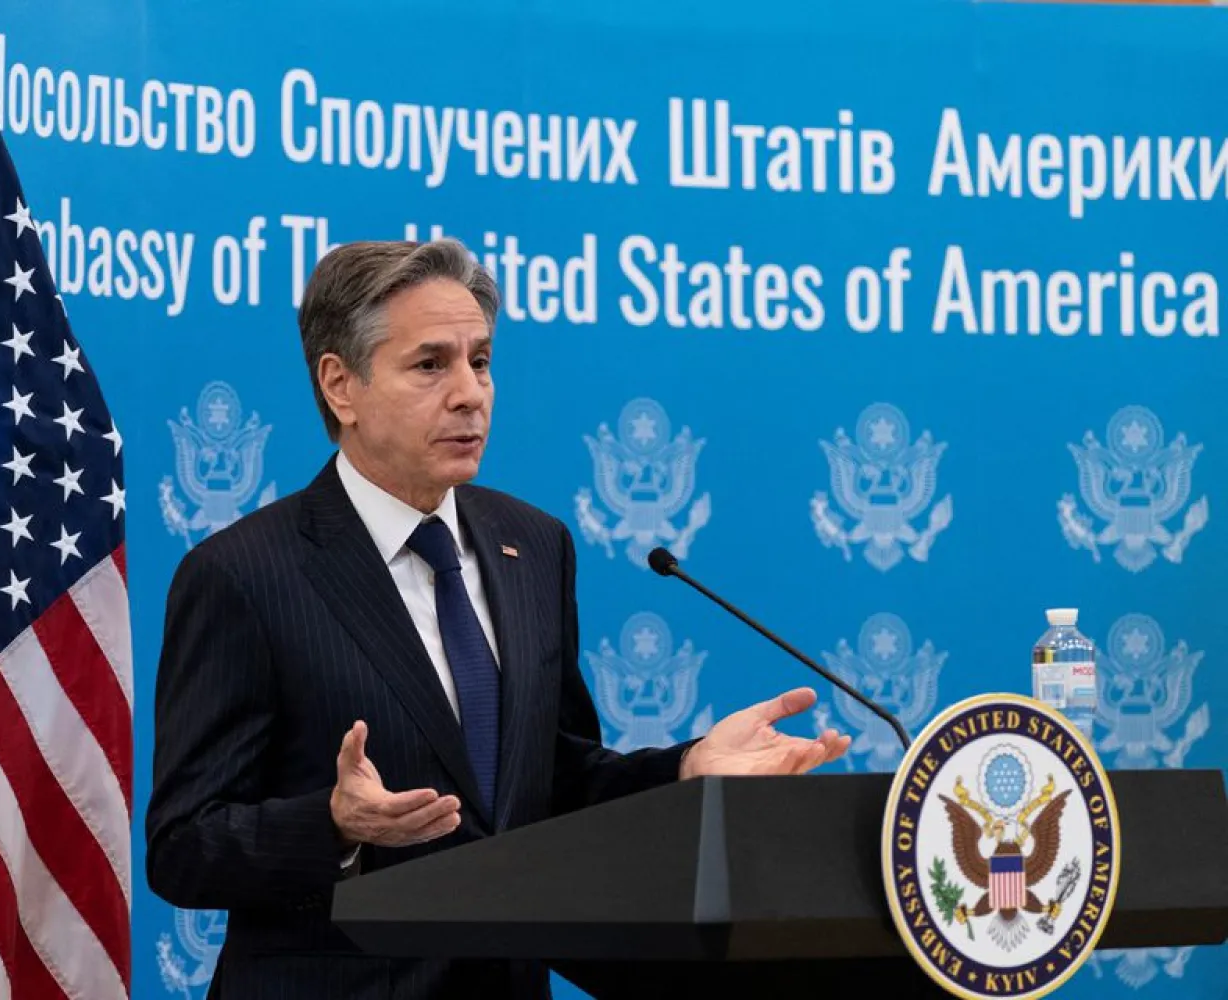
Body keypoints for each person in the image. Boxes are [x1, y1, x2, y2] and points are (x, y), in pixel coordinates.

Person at [144, 238, 851, 999]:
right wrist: (337, 824)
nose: (470, 393)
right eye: (430, 364)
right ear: (340, 385)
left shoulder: (534, 547)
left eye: (480, 361)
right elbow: (184, 845)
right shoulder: (244, 575)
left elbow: (558, 781)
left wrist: (687, 769)